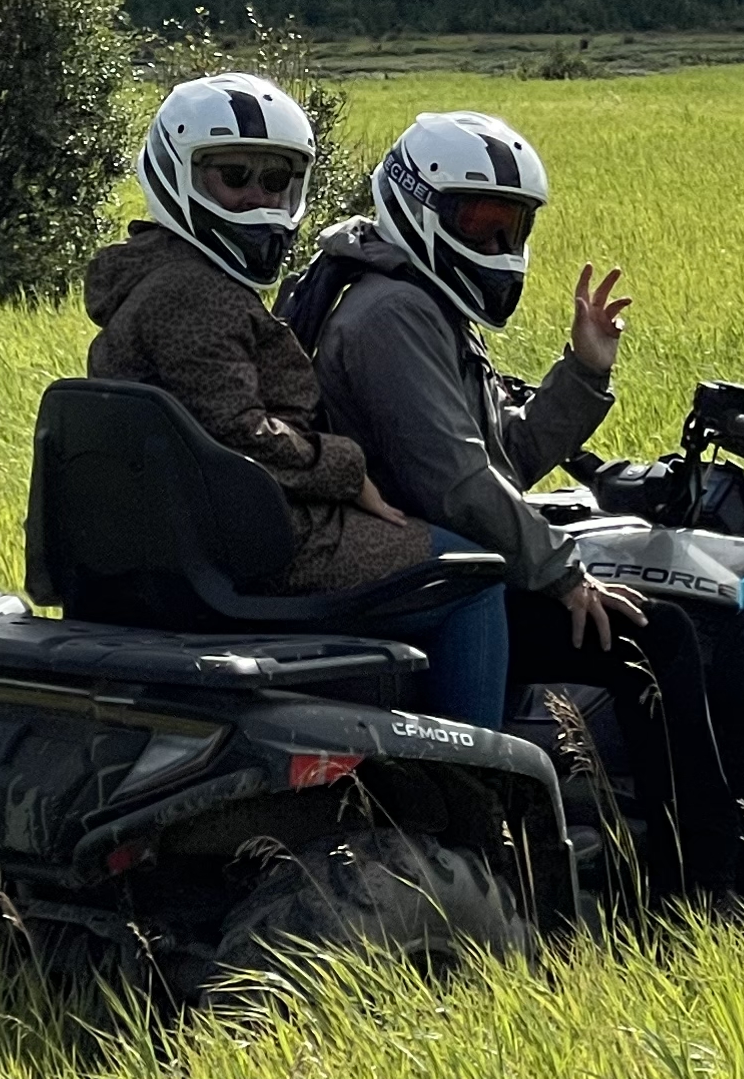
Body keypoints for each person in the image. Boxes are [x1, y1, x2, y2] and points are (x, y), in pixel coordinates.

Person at [84, 76, 510, 725]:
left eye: (276, 181)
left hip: (202, 542)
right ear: (178, 174)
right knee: (472, 576)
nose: (258, 198)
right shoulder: (193, 295)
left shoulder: (161, 277)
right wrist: (347, 465)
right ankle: (489, 785)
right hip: (259, 552)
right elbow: (241, 433)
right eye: (234, 176)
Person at [290, 109, 647, 672]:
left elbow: (507, 459)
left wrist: (583, 370)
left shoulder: (424, 304)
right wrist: (561, 571)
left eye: (514, 226)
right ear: (419, 205)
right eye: (480, 222)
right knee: (653, 642)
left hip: (450, 553)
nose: (501, 244)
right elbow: (456, 482)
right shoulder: (391, 314)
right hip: (416, 577)